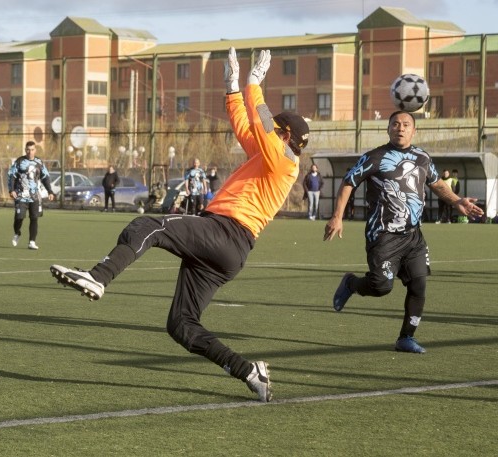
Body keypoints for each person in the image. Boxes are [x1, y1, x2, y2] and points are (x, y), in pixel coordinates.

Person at [50, 47, 309, 402]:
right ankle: (248, 371)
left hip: (225, 232)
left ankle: (99, 276)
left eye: (277, 129)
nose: (270, 130)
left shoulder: (284, 160)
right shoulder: (270, 156)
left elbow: (262, 126)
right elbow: (246, 127)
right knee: (181, 325)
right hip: (229, 248)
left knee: (148, 226)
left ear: (286, 137)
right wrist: (233, 86)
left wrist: (254, 85)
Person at [324, 110, 483, 354]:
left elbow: (437, 184)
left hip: (413, 237)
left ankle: (405, 338)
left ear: (414, 130)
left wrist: (457, 201)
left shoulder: (422, 158)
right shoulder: (375, 157)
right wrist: (337, 217)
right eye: (395, 124)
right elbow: (349, 181)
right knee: (380, 287)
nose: (400, 128)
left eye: (406, 124)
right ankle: (352, 284)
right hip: (383, 236)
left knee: (419, 286)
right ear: (387, 129)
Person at [7, 141, 55, 250]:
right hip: (21, 195)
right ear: (25, 150)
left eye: (32, 149)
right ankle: (17, 233)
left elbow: (45, 177)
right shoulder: (20, 161)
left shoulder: (39, 162)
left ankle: (32, 242)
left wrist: (50, 191)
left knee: (34, 218)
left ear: (35, 150)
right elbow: (11, 175)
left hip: (34, 196)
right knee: (19, 217)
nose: (30, 152)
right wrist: (12, 190)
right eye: (28, 149)